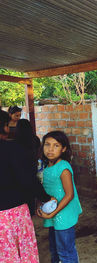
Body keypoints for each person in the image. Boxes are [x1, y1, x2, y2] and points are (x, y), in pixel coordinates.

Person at [0, 109, 53, 263]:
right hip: (13, 213)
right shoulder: (10, 149)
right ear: (4, 126)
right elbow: (27, 180)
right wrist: (46, 198)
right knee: (23, 253)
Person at [37, 131, 82, 263]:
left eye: (56, 146)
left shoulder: (63, 167)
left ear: (63, 149)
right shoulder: (46, 165)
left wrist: (53, 213)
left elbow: (69, 195)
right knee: (54, 249)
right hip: (53, 213)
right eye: (47, 144)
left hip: (63, 215)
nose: (50, 149)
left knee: (65, 252)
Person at [14, 119, 42, 215]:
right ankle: (31, 211)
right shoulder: (35, 139)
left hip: (20, 172)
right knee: (32, 192)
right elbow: (39, 154)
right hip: (32, 168)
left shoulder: (15, 141)